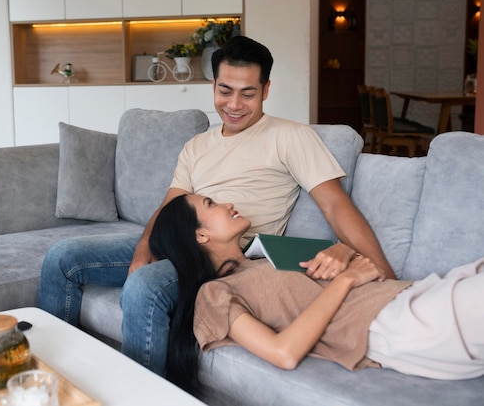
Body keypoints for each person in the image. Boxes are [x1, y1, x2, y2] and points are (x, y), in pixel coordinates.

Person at [38, 35, 395, 376]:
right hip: (183, 238)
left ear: (266, 91)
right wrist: (143, 249)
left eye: (248, 93)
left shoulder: (291, 137)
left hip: (223, 254)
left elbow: (334, 205)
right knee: (62, 258)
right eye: (225, 91)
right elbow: (171, 205)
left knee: (146, 286)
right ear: (213, 87)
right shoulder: (197, 145)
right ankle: (51, 373)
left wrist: (381, 268)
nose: (234, 105)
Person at [149, 193, 484, 394]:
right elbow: (284, 353)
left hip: (420, 292)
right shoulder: (214, 294)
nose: (228, 203)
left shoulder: (270, 252)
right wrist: (346, 280)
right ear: (200, 236)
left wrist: (343, 251)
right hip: (397, 322)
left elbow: (373, 271)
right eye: (211, 204)